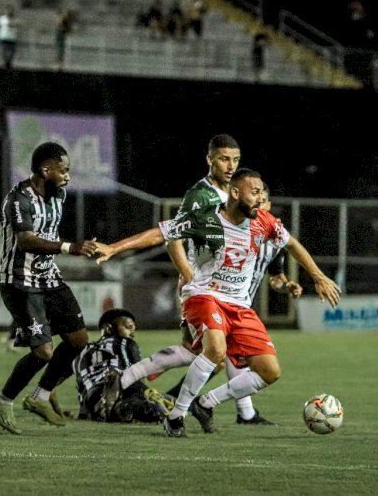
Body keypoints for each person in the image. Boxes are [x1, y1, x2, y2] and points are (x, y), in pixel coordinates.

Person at [93, 167, 341, 437]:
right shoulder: (206, 220)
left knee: (269, 371)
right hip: (203, 295)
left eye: (262, 193)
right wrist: (114, 248)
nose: (260, 198)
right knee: (216, 350)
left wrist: (318, 276)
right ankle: (176, 416)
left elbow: (291, 243)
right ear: (235, 193)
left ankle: (206, 403)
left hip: (239, 306)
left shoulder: (265, 222)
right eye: (255, 192)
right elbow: (161, 234)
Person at [121, 181, 300, 427]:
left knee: (223, 357)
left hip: (239, 305)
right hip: (206, 295)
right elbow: (171, 236)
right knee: (209, 352)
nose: (262, 204)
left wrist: (287, 285)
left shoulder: (269, 242)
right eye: (258, 197)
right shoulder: (220, 222)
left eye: (265, 200)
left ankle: (225, 408)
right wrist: (188, 274)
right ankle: (141, 385)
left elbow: (276, 279)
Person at [0, 142, 106, 435]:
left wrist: (80, 247)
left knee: (79, 340)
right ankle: (3, 401)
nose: (68, 176)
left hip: (49, 277)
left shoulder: (59, 195)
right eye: (64, 171)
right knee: (42, 353)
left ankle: (40, 396)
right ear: (45, 170)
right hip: (19, 281)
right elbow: (26, 240)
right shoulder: (17, 199)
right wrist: (70, 247)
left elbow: (48, 233)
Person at [73, 308, 174, 423]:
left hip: (91, 401)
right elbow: (135, 375)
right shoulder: (123, 342)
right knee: (161, 405)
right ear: (109, 328)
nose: (132, 334)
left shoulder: (83, 351)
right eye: (128, 327)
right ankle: (124, 407)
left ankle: (107, 409)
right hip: (118, 389)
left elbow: (80, 386)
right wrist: (146, 395)